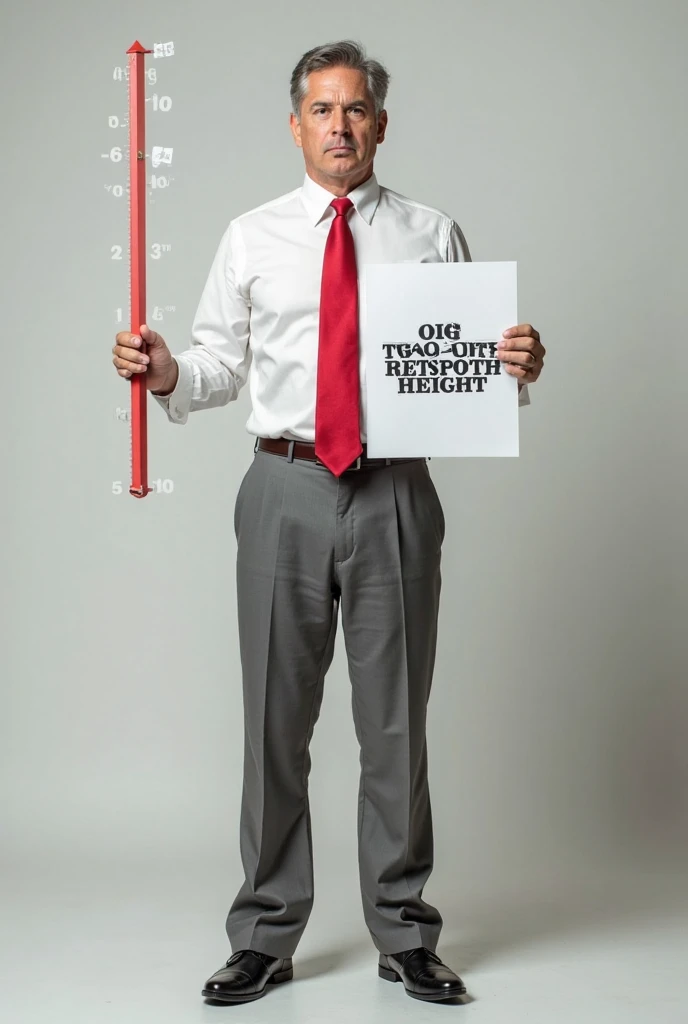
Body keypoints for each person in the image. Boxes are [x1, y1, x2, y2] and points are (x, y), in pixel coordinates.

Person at [112, 39, 545, 1005]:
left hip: (394, 491)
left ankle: (403, 931)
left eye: (356, 110)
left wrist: (513, 366)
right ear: (296, 122)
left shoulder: (433, 233)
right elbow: (220, 364)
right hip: (285, 489)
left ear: (381, 124)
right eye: (322, 109)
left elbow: (464, 370)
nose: (340, 126)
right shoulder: (251, 235)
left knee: (395, 725)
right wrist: (169, 370)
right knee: (275, 720)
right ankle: (265, 934)